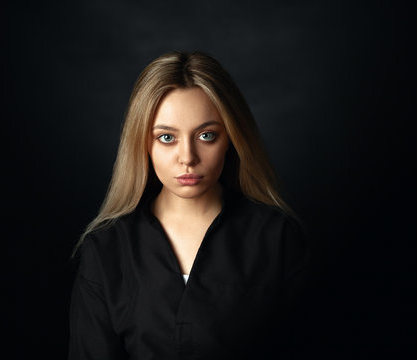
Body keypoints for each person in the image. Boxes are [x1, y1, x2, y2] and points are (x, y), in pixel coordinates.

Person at [69, 51, 310, 359]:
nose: (188, 157)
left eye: (207, 135)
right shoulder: (105, 250)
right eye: (167, 138)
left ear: (232, 139)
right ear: (142, 143)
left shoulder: (278, 240)